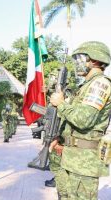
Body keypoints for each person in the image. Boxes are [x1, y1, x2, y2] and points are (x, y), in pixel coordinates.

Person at [50, 41, 111, 200]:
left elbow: (83, 120)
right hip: (73, 158)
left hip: (84, 163)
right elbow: (73, 121)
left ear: (95, 60)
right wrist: (60, 139)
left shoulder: (100, 84)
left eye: (80, 58)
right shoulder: (86, 85)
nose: (76, 63)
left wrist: (61, 104)